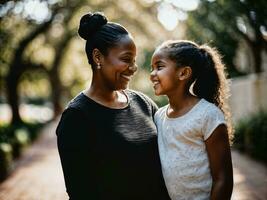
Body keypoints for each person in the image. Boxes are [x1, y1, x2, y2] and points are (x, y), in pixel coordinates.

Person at [56, 12, 170, 200]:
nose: (133, 68)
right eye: (126, 59)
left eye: (134, 61)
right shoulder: (76, 117)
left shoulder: (144, 104)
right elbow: (79, 192)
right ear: (98, 57)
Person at [150, 40, 233, 200]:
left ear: (183, 73)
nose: (152, 74)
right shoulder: (159, 117)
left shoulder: (208, 115)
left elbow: (223, 180)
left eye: (159, 67)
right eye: (151, 68)